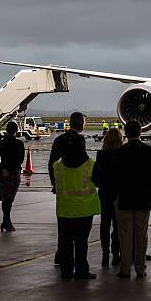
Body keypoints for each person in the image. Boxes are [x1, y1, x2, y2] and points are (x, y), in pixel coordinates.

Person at [112, 120, 151, 279]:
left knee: (125, 235)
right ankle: (141, 268)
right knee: (142, 234)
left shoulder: (119, 152)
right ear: (141, 132)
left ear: (126, 133)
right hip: (144, 199)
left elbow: (115, 178)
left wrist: (115, 197)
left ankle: (125, 269)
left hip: (124, 199)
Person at [54, 134, 100, 279]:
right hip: (84, 210)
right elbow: (98, 182)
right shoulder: (91, 164)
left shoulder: (58, 165)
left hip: (64, 210)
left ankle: (66, 270)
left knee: (65, 241)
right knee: (81, 242)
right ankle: (81, 270)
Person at [49, 112, 86, 265]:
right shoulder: (78, 140)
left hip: (62, 190)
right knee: (78, 230)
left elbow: (52, 164)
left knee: (63, 227)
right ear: (81, 124)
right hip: (77, 191)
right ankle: (77, 262)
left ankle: (61, 256)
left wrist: (55, 184)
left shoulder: (59, 139)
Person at [92, 128, 123, 267]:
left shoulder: (101, 155)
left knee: (104, 225)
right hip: (118, 194)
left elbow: (95, 178)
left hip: (104, 193)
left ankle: (105, 255)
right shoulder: (122, 155)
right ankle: (116, 254)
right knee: (118, 226)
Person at [0, 121, 25, 232]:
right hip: (14, 174)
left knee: (5, 198)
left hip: (3, 174)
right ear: (16, 131)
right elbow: (21, 160)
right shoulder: (19, 144)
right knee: (9, 199)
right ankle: (6, 221)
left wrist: (1, 169)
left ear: (6, 130)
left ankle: (6, 221)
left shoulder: (1, 143)